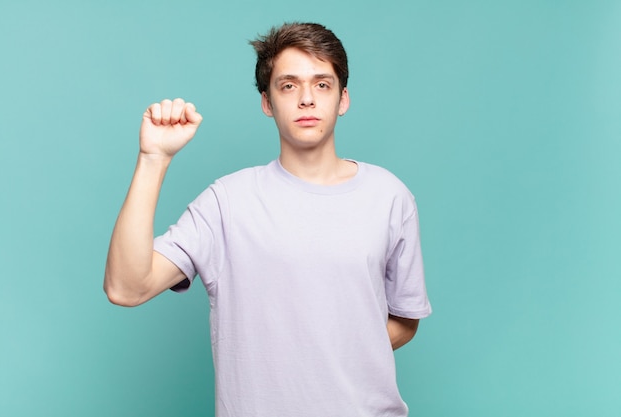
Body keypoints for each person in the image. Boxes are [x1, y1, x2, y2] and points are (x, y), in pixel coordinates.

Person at [104, 22, 431, 417]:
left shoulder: (390, 196)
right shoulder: (226, 202)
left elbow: (405, 320)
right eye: (289, 85)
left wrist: (326, 361)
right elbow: (127, 288)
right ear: (267, 101)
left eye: (322, 84)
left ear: (343, 99)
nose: (307, 99)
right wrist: (153, 159)